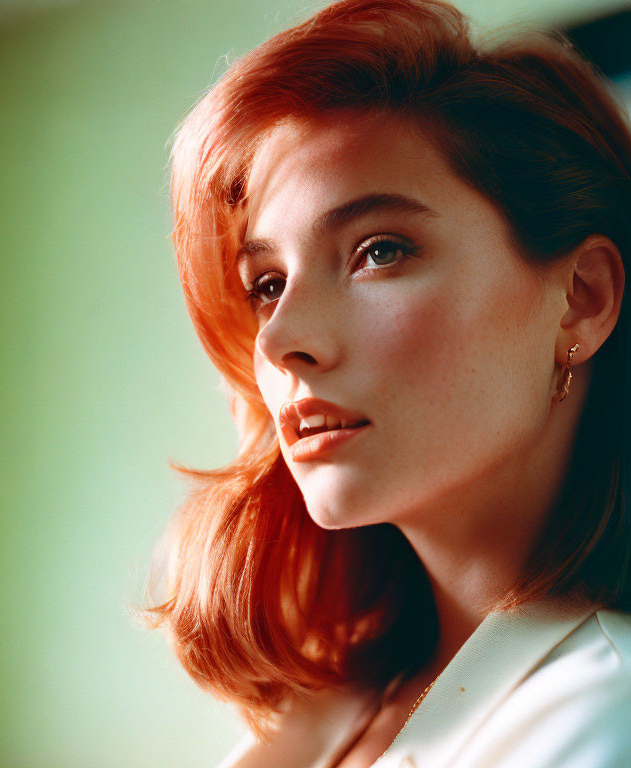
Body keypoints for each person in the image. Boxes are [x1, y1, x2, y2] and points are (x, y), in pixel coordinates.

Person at [143, 0, 631, 765]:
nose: (279, 339)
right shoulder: (337, 695)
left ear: (581, 300)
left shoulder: (604, 709)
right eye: (267, 282)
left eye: (379, 251)